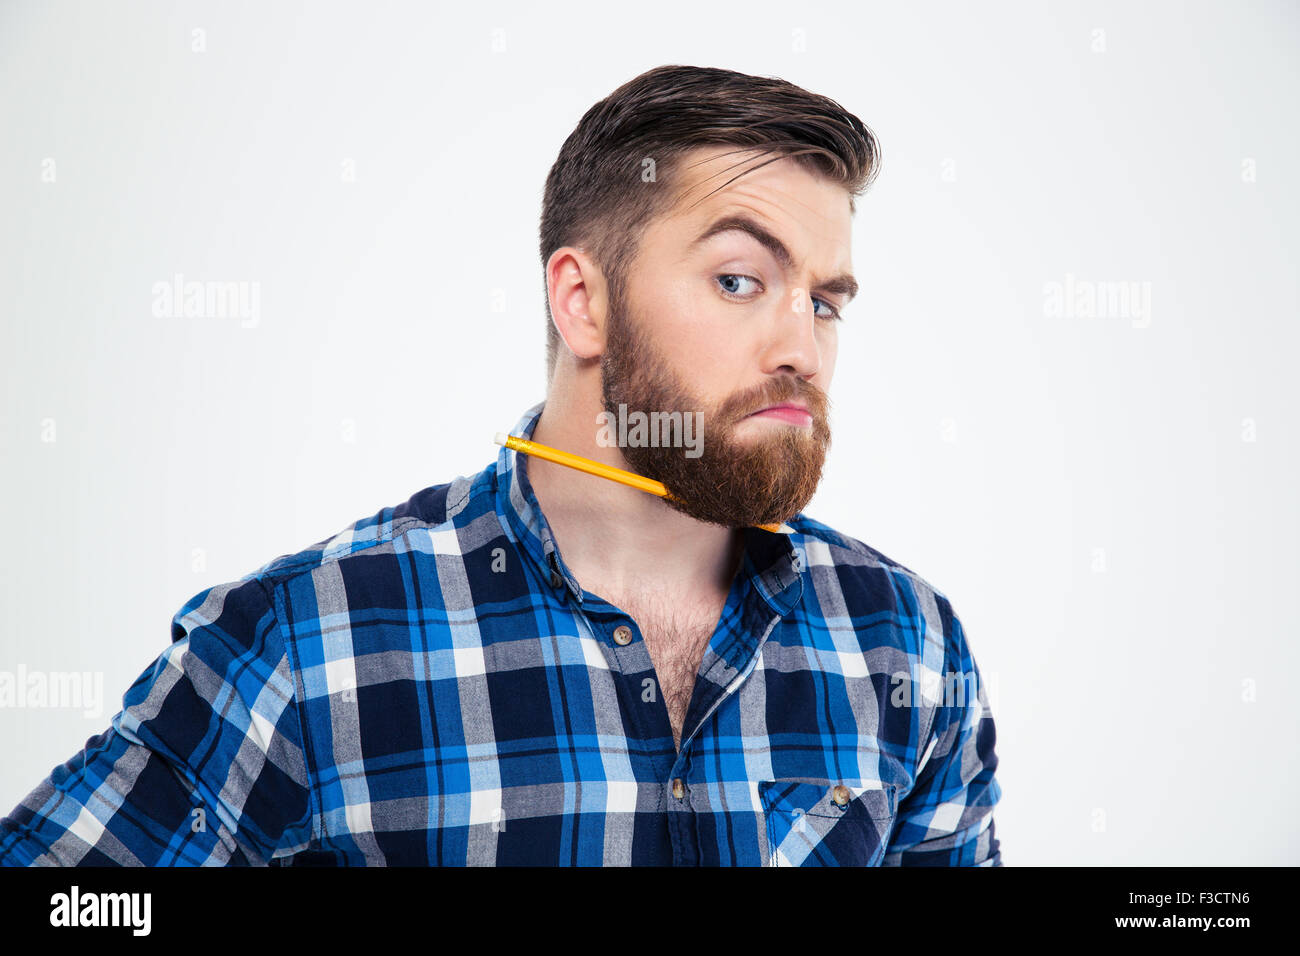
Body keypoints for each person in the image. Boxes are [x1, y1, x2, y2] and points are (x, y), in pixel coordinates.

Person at [0, 64, 1002, 866]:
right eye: (740, 280)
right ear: (583, 301)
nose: (802, 347)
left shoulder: (905, 646)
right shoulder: (306, 644)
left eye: (824, 302)